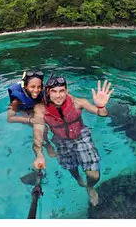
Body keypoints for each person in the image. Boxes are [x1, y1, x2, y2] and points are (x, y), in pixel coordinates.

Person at [33, 76, 113, 206]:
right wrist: (40, 153)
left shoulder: (78, 102)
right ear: (47, 92)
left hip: (81, 137)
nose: (58, 96)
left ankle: (90, 187)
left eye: (61, 91)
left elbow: (102, 114)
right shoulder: (40, 110)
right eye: (54, 91)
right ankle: (78, 178)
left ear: (66, 91)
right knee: (71, 166)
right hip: (61, 140)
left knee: (94, 176)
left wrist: (101, 105)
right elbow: (38, 133)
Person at [6, 70, 57, 167]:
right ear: (25, 86)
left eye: (39, 87)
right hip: (25, 113)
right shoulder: (16, 100)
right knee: (44, 128)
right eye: (32, 87)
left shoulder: (41, 92)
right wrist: (30, 120)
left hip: (36, 108)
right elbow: (10, 118)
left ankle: (51, 142)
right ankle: (47, 145)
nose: (36, 90)